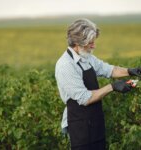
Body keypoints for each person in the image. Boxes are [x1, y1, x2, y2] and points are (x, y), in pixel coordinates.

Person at [55, 18, 141, 150]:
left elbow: (108, 69)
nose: (93, 46)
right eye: (90, 42)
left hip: (95, 119)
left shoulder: (86, 56)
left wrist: (131, 71)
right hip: (79, 125)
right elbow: (85, 98)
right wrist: (112, 86)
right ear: (78, 42)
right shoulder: (66, 65)